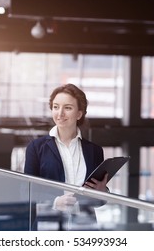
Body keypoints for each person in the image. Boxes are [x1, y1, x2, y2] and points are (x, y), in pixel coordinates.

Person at [24, 83, 108, 229]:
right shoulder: (36, 148)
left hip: (85, 228)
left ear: (79, 114)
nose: (60, 113)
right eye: (56, 107)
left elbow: (98, 201)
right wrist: (55, 201)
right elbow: (26, 191)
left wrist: (103, 192)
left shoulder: (94, 151)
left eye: (67, 108)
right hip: (49, 227)